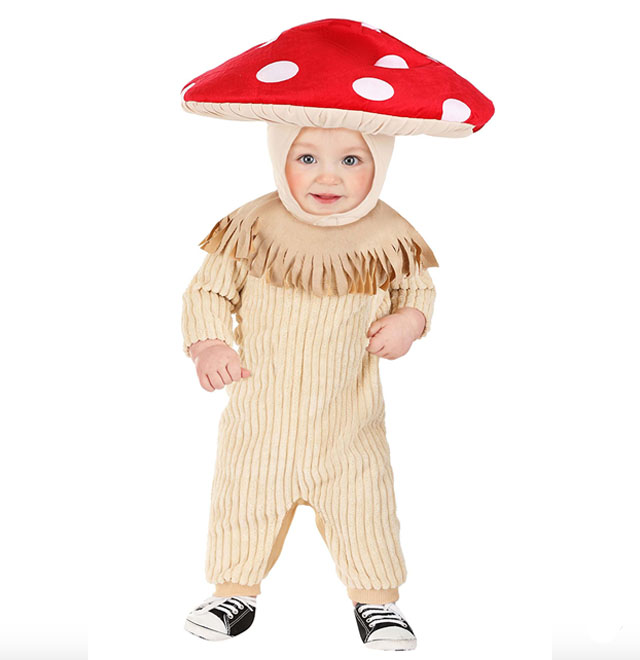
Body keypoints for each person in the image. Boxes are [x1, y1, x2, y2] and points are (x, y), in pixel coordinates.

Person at [181, 122, 438, 651]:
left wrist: (409, 321)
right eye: (305, 158)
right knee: (243, 500)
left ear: (381, 162)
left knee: (364, 505)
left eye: (351, 160)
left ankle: (377, 601)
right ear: (279, 157)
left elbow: (417, 287)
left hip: (350, 420)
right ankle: (233, 591)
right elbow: (208, 290)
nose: (328, 176)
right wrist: (210, 344)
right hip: (260, 417)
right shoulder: (251, 226)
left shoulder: (389, 234)